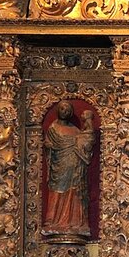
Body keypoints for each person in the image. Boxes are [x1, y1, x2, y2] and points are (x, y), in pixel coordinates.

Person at [42, 101, 96, 238]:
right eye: (62, 108)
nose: (64, 111)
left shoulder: (76, 130)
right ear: (58, 110)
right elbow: (49, 144)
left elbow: (85, 143)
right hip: (59, 166)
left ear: (71, 112)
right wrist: (49, 146)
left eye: (67, 109)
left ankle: (75, 222)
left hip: (75, 167)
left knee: (75, 192)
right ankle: (53, 221)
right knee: (57, 191)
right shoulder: (53, 128)